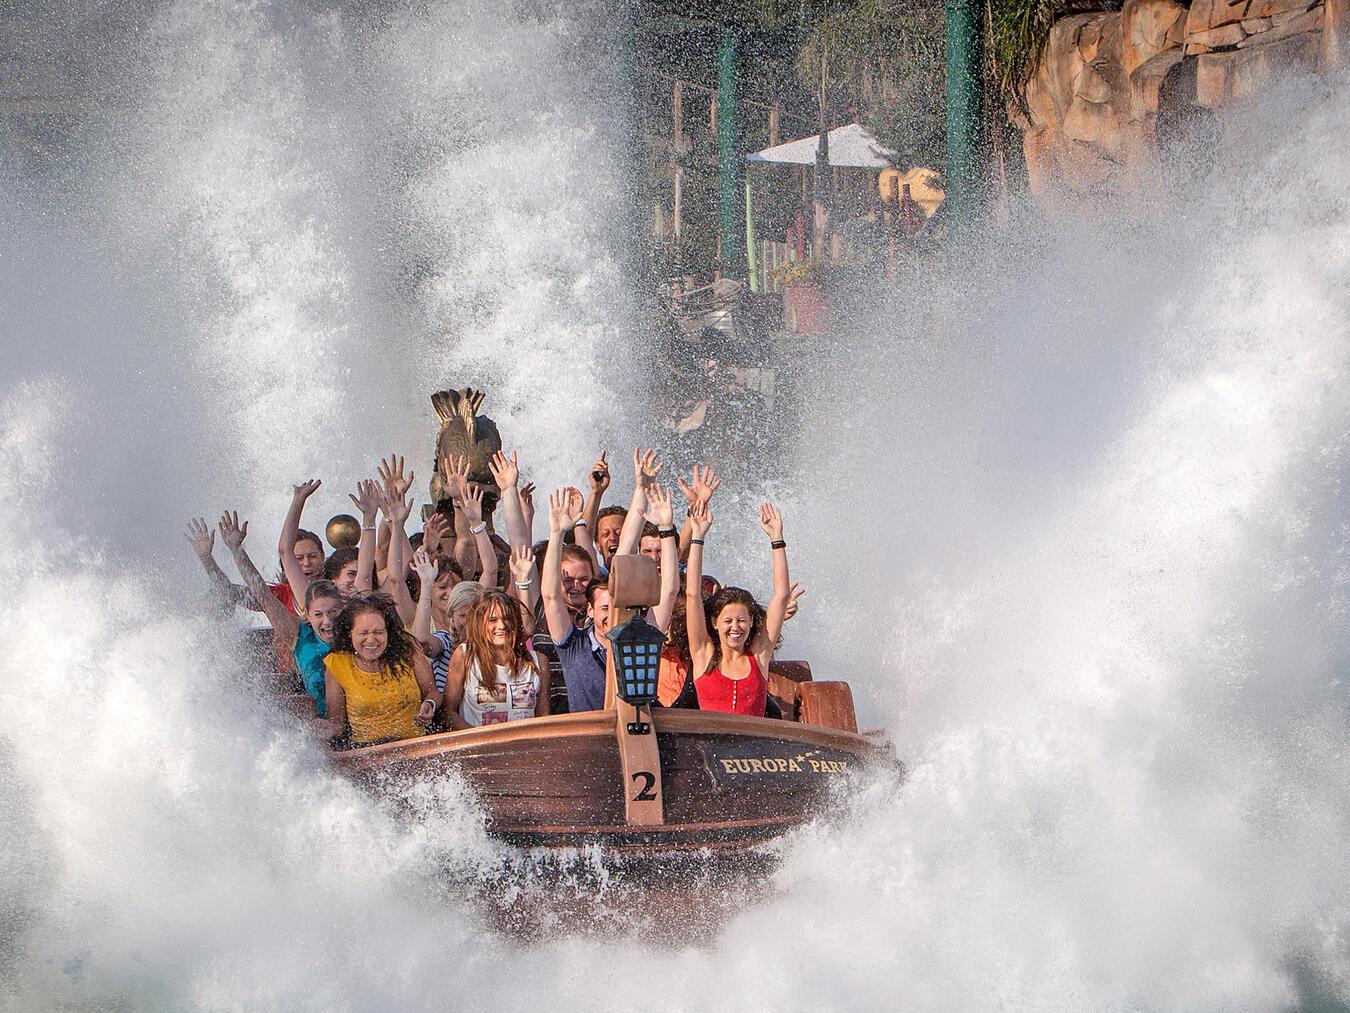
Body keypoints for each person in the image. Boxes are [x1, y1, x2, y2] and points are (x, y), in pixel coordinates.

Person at [215, 511, 346, 716]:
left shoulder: (353, 630)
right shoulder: (301, 636)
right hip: (309, 698)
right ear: (307, 615)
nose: (327, 620)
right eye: (319, 614)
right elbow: (262, 594)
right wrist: (236, 550)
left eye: (333, 612)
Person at [683, 500, 791, 716]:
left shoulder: (759, 655)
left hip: (754, 748)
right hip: (710, 748)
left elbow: (781, 596)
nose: (735, 627)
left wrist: (776, 539)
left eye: (741, 620)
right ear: (714, 623)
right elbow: (693, 594)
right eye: (728, 621)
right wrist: (698, 537)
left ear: (751, 622)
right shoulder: (703, 654)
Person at [318, 594, 440, 747]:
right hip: (368, 751)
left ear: (387, 632)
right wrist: (320, 729)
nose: (371, 640)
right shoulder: (337, 663)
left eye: (378, 632)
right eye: (363, 633)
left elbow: (433, 692)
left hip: (414, 745)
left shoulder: (408, 649)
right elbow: (336, 723)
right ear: (350, 634)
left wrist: (430, 703)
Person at [541, 487, 613, 713]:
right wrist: (557, 533)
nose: (577, 585)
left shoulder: (630, 645)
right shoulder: (574, 645)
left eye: (584, 579)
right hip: (582, 734)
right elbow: (550, 596)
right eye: (569, 579)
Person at [441, 589, 549, 727]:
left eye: (507, 619)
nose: (502, 626)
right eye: (493, 620)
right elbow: (447, 712)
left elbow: (543, 718)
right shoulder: (465, 655)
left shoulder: (539, 662)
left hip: (522, 747)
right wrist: (479, 741)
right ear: (480, 623)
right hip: (479, 746)